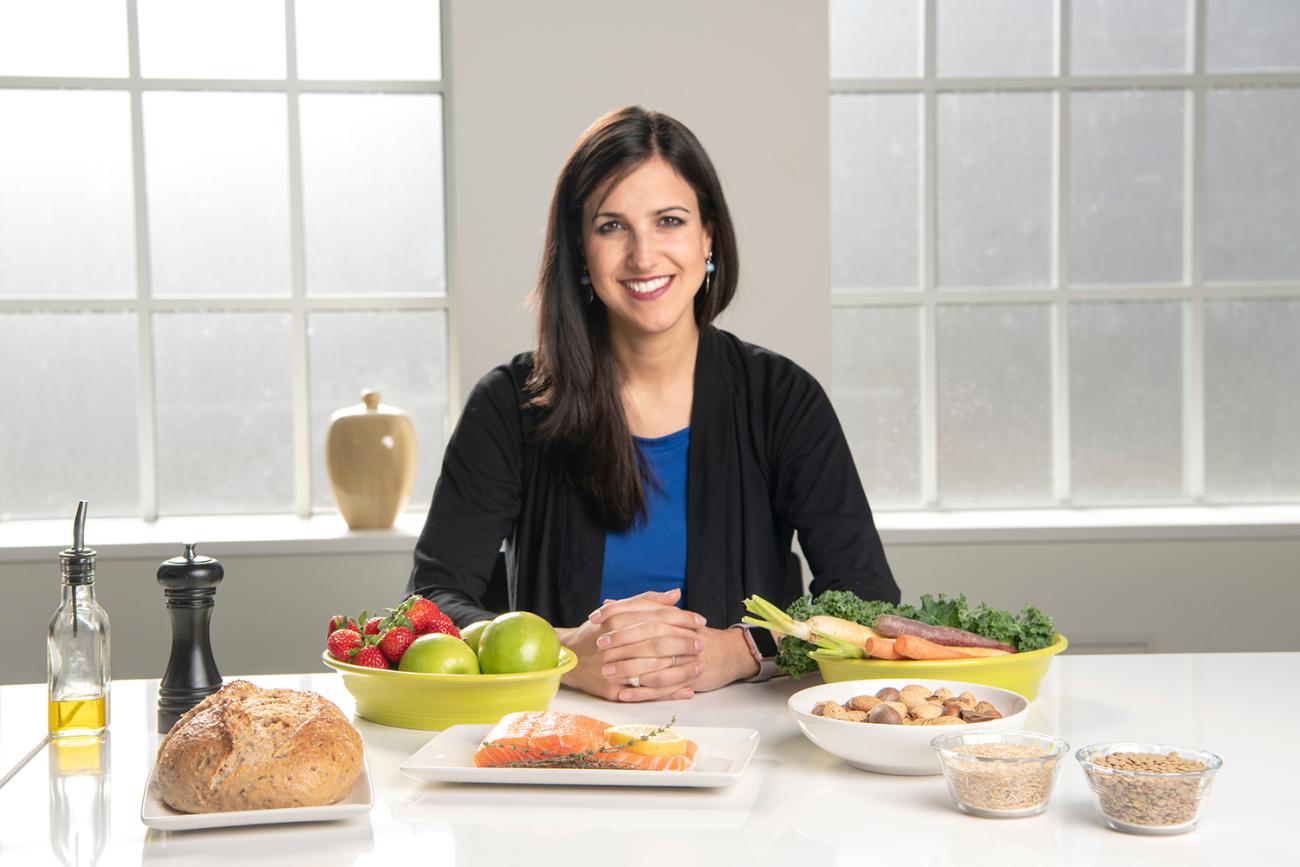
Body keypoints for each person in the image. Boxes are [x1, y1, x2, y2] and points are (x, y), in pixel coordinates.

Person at [408, 106, 898, 702]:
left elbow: (867, 600)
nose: (644, 256)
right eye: (612, 226)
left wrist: (743, 650)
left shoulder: (784, 399)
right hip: (555, 738)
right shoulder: (509, 404)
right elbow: (431, 601)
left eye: (669, 220)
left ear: (708, 234)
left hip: (750, 735)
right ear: (580, 250)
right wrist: (563, 653)